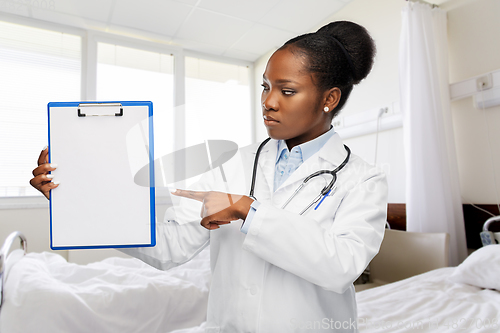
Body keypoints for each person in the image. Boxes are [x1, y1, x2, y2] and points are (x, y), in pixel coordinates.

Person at [31, 21, 387, 333]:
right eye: (265, 87)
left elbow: (341, 265)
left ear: (329, 99)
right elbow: (170, 247)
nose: (269, 101)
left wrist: (249, 211)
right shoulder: (231, 163)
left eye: (287, 90)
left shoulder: (362, 180)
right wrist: (76, 198)